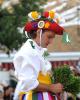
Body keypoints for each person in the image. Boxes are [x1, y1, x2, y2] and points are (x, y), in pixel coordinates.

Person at [13, 11, 65, 100]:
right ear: (39, 32)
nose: (51, 42)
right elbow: (28, 83)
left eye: (53, 38)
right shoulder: (29, 51)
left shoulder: (37, 49)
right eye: (49, 37)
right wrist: (51, 87)